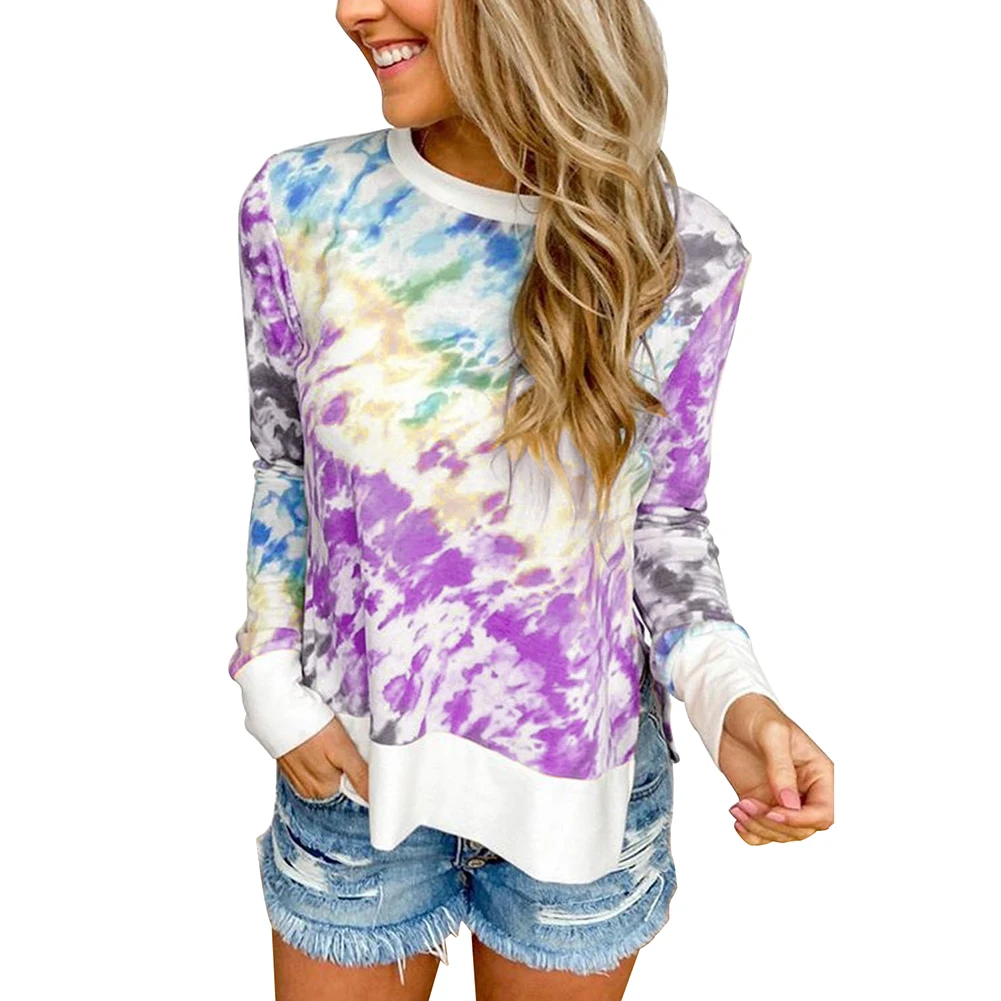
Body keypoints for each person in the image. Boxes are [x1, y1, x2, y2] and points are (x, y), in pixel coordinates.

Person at [228, 1, 835, 998]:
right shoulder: (302, 201)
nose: (350, 10)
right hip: (347, 771)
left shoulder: (682, 250)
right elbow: (283, 459)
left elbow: (663, 523)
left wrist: (733, 695)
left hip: (580, 798)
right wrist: (267, 679)